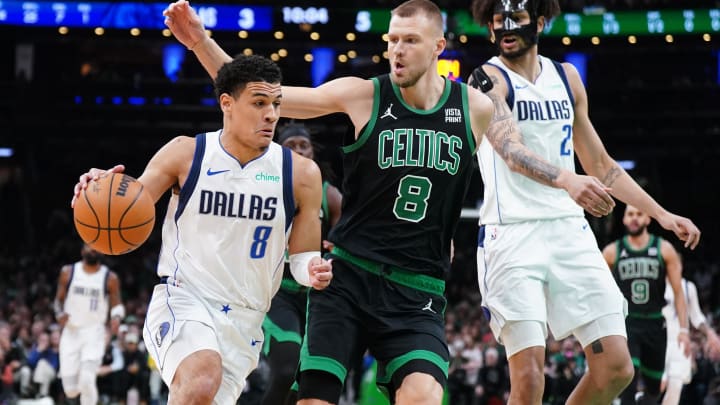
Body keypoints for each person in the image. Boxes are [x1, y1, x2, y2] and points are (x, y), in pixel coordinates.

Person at [163, 1, 623, 404]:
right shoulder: (364, 94)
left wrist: (568, 180)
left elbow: (520, 154)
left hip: (416, 291)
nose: (397, 50)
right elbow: (268, 98)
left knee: (424, 396)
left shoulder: (476, 108)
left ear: (438, 47)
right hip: (348, 279)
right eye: (392, 40)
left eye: (410, 40)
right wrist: (202, 42)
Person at [468, 0, 702, 404]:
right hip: (511, 235)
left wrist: (661, 215)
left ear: (539, 23)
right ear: (489, 29)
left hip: (567, 231)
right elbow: (510, 150)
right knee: (528, 381)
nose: (507, 26)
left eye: (518, 19)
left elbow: (600, 163)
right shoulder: (486, 79)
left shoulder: (568, 77)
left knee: (616, 368)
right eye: (497, 20)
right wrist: (567, 180)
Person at [71, 54, 333, 405]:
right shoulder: (186, 154)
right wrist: (99, 189)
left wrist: (312, 270)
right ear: (227, 103)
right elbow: (130, 206)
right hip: (185, 298)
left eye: (276, 103)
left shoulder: (301, 174)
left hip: (246, 320)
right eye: (259, 103)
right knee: (201, 379)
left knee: (201, 394)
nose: (271, 114)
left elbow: (302, 259)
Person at [259, 122, 342, 405]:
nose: (297, 151)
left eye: (303, 146)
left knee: (303, 382)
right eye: (290, 146)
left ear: (313, 152)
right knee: (285, 369)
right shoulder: (261, 184)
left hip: (314, 297)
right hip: (277, 291)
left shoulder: (329, 194)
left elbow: (347, 237)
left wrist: (338, 246)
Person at [603, 204, 691, 404]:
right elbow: (598, 291)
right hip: (627, 323)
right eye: (630, 214)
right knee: (628, 377)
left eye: (639, 214)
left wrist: (684, 330)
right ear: (624, 220)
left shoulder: (664, 249)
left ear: (648, 219)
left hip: (655, 324)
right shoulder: (611, 252)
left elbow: (678, 293)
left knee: (654, 387)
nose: (634, 218)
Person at [54, 243, 124, 405]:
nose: (93, 250)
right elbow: (58, 301)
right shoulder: (68, 272)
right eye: (89, 247)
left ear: (102, 252)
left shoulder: (110, 277)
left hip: (94, 332)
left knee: (86, 379)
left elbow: (117, 304)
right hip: (71, 332)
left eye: (96, 247)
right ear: (82, 250)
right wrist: (58, 313)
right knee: (71, 390)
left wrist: (117, 317)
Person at [660, 276, 720, 405]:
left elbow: (696, 316)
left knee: (675, 387)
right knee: (656, 387)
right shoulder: (655, 282)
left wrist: (710, 334)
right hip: (657, 341)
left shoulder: (688, 287)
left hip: (679, 343)